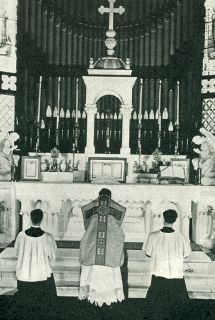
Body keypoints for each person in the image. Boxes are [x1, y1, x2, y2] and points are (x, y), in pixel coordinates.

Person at [79, 188, 126, 307]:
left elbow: (87, 226)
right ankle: (110, 302)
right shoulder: (116, 209)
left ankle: (92, 300)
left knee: (93, 277)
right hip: (110, 252)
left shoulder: (91, 207)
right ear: (110, 197)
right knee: (110, 278)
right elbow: (117, 229)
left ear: (99, 195)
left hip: (94, 252)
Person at [145, 209, 192, 320]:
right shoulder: (181, 237)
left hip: (159, 274)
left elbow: (148, 253)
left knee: (156, 306)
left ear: (163, 218)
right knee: (177, 306)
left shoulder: (153, 235)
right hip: (175, 275)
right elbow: (186, 254)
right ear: (175, 220)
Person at [14, 209, 57, 314]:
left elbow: (17, 252)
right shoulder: (48, 237)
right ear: (42, 219)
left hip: (25, 273)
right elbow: (52, 255)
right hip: (41, 275)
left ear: (30, 218)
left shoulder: (21, 235)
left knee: (25, 304)